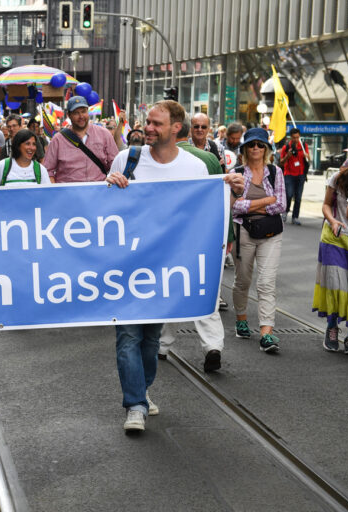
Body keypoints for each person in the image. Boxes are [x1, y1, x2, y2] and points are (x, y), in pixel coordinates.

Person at [106, 101, 244, 432]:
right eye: (147, 122)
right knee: (127, 335)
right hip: (127, 265)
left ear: (175, 129)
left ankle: (143, 389)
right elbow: (104, 212)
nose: (148, 128)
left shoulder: (194, 168)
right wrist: (110, 185)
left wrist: (234, 195)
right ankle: (135, 404)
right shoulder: (128, 158)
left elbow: (207, 214)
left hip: (164, 270)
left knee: (152, 339)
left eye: (155, 123)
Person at [158, 116, 228, 373]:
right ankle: (213, 345)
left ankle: (162, 346)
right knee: (204, 291)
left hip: (172, 238)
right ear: (190, 132)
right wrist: (227, 237)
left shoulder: (166, 159)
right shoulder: (209, 159)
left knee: (170, 289)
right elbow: (222, 199)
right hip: (205, 237)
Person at [231, 127, 286, 354]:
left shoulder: (275, 172)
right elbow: (235, 205)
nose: (256, 148)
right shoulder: (236, 172)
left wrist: (252, 205)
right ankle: (241, 318)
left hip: (271, 234)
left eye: (260, 145)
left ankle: (266, 333)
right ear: (244, 148)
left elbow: (281, 204)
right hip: (243, 231)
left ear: (266, 149)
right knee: (243, 280)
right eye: (252, 144)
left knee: (266, 283)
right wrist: (266, 201)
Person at [315, 139, 348, 354]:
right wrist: (332, 221)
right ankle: (332, 328)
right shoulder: (338, 177)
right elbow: (326, 205)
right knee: (335, 285)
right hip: (335, 237)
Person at [43, 96, 118, 183]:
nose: (81, 116)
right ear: (69, 115)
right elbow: (48, 171)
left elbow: (115, 165)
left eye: (83, 112)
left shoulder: (104, 134)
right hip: (68, 193)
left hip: (98, 192)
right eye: (76, 113)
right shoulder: (58, 139)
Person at [279, 127, 310, 226]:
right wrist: (288, 155)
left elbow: (308, 159)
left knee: (298, 197)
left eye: (297, 137)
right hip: (289, 175)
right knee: (288, 195)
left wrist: (307, 156)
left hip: (301, 174)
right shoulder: (286, 147)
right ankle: (285, 212)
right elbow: (281, 162)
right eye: (294, 138)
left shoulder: (304, 145)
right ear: (291, 137)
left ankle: (295, 217)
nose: (296, 139)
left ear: (299, 136)